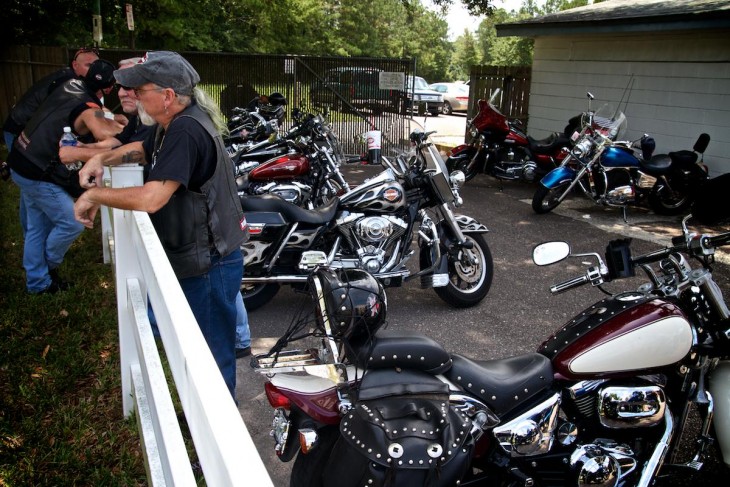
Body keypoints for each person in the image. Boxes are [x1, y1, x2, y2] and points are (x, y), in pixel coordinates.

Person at [73, 51, 249, 396]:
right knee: (198, 348)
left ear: (167, 96)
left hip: (208, 264)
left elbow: (152, 198)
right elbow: (140, 147)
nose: (133, 96)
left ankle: (218, 440)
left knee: (212, 357)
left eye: (141, 89)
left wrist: (93, 196)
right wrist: (100, 157)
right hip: (203, 259)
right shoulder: (174, 124)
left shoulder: (185, 130)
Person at [7, 59, 125, 295]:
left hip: (19, 160)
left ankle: (37, 282)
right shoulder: (89, 107)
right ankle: (46, 267)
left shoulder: (69, 84)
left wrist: (108, 116)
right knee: (72, 223)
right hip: (37, 173)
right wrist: (123, 129)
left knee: (37, 228)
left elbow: (89, 111)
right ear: (110, 88)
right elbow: (101, 128)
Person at [4, 47, 100, 151]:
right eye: (88, 65)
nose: (94, 70)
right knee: (21, 163)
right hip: (19, 127)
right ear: (75, 65)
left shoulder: (72, 79)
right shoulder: (69, 84)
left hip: (28, 127)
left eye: (97, 66)